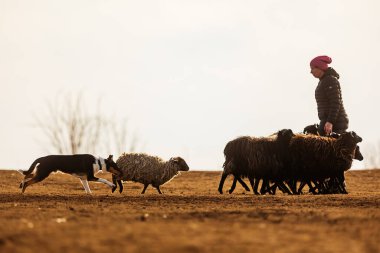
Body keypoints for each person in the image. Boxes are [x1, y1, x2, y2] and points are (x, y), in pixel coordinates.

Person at [310, 55, 349, 136]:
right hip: (327, 120)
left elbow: (335, 102)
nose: (311, 71)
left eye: (313, 68)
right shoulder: (323, 81)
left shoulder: (329, 80)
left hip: (336, 122)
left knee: (332, 148)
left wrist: (330, 122)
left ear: (320, 67)